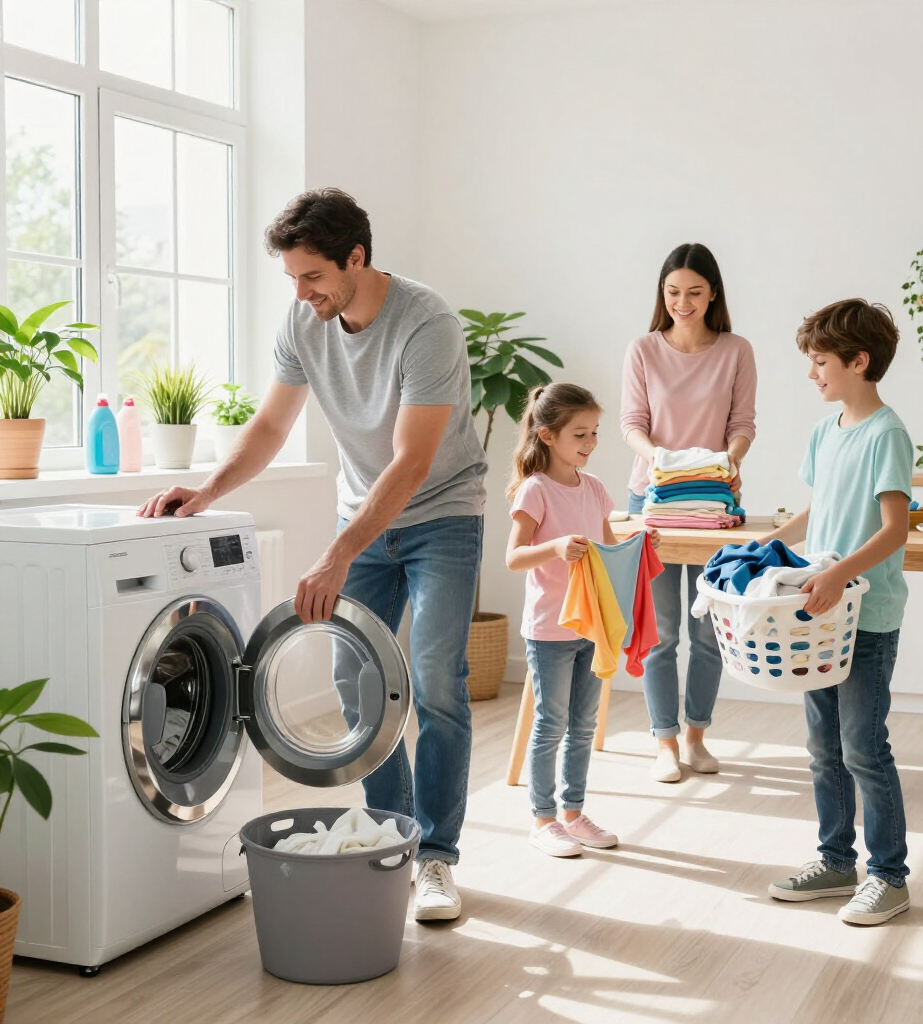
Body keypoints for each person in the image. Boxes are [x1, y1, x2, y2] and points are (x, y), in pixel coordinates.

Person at [138, 188, 487, 922]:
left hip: (442, 516)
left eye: (310, 277)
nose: (300, 293)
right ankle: (391, 833)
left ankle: (437, 859)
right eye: (293, 278)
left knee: (436, 679)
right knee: (358, 678)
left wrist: (334, 554)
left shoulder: (429, 325)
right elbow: (269, 425)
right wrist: (205, 490)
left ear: (355, 258)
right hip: (363, 514)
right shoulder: (305, 320)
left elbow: (413, 461)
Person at [762, 298, 912, 926]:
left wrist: (837, 572)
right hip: (819, 617)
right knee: (823, 749)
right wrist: (770, 545)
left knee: (862, 749)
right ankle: (835, 861)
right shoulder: (827, 432)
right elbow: (817, 512)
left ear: (859, 361)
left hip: (865, 616)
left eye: (820, 362)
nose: (811, 373)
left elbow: (895, 529)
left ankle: (888, 875)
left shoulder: (888, 433)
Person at [620, 244, 757, 783]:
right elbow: (633, 422)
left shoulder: (736, 350)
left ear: (713, 294)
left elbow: (743, 423)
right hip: (651, 501)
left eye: (694, 293)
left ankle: (696, 735)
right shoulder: (643, 350)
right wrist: (662, 462)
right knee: (661, 631)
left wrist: (725, 463)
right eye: (673, 292)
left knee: (708, 631)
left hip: (715, 504)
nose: (683, 302)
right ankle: (664, 742)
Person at [506, 384, 660, 857]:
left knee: (583, 724)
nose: (590, 443)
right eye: (580, 434)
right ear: (548, 436)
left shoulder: (594, 489)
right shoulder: (535, 490)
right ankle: (543, 818)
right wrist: (554, 547)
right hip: (551, 629)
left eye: (594, 433)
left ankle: (573, 813)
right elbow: (513, 557)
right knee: (550, 723)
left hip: (590, 628)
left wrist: (641, 541)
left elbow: (609, 549)